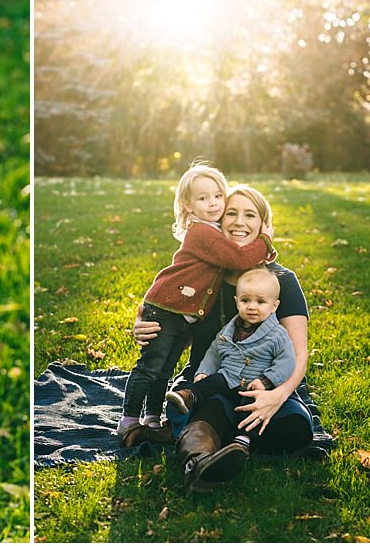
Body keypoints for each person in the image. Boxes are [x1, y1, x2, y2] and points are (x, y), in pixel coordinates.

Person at [134, 184, 314, 490]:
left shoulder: (281, 280)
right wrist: (144, 323)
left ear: (262, 224)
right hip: (210, 380)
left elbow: (297, 354)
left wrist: (276, 396)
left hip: (265, 381)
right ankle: (201, 462)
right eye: (232, 213)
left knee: (297, 424)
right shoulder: (201, 277)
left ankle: (234, 441)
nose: (240, 222)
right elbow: (167, 310)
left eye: (250, 215)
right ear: (219, 221)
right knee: (197, 412)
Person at [117, 164, 275, 447]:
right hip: (166, 310)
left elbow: (239, 260)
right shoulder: (203, 233)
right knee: (151, 367)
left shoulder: (219, 238)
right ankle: (129, 418)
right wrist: (265, 239)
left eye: (218, 196)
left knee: (164, 369)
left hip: (180, 314)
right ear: (188, 206)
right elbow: (238, 258)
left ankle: (152, 416)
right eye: (203, 198)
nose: (213, 203)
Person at [164, 267, 295, 490]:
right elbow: (214, 352)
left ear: (275, 306)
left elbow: (287, 361)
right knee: (211, 383)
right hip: (228, 377)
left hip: (254, 384)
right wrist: (203, 372)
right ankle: (189, 397)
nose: (252, 306)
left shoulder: (277, 334)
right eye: (245, 300)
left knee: (251, 409)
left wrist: (266, 381)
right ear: (237, 302)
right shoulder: (229, 329)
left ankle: (241, 442)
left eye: (260, 302)